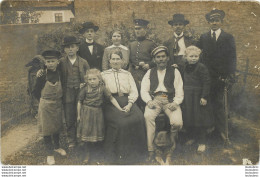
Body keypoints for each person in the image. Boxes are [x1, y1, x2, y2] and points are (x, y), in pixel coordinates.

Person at [197, 8, 237, 142]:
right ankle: (210, 129)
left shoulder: (228, 37)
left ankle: (223, 133)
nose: (214, 23)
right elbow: (199, 56)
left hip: (222, 78)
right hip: (207, 78)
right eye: (212, 21)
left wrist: (229, 75)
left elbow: (232, 57)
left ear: (221, 22)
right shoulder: (204, 37)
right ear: (208, 22)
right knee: (207, 104)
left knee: (221, 105)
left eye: (217, 20)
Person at [101, 49, 146, 164]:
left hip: (128, 101)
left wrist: (130, 104)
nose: (115, 61)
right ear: (109, 61)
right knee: (122, 123)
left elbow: (134, 91)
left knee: (139, 117)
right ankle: (121, 155)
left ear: (122, 61)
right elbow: (103, 93)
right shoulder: (103, 75)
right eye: (113, 59)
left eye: (118, 59)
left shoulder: (127, 74)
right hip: (111, 103)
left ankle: (138, 154)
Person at [141, 46, 184, 163]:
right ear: (154, 59)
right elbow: (144, 90)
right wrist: (149, 101)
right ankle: (151, 150)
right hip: (155, 100)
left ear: (168, 58)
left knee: (177, 122)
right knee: (148, 116)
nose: (161, 59)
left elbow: (179, 89)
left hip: (170, 100)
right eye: (158, 57)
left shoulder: (175, 71)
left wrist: (176, 102)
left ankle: (171, 146)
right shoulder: (150, 72)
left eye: (163, 56)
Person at [77, 68, 122, 164]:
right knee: (87, 133)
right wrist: (79, 115)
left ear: (99, 79)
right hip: (87, 113)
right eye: (90, 79)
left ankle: (97, 155)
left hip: (97, 113)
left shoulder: (102, 88)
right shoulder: (85, 88)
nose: (92, 81)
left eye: (94, 79)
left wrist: (120, 108)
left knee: (97, 134)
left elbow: (111, 98)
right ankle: (87, 154)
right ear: (87, 80)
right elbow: (79, 102)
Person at [32, 50, 66, 165]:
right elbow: (35, 91)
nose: (50, 63)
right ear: (45, 63)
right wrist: (43, 102)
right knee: (46, 129)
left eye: (53, 61)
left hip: (57, 104)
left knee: (56, 126)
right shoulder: (42, 75)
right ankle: (49, 153)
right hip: (45, 105)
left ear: (57, 62)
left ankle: (57, 147)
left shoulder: (60, 73)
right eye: (48, 61)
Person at [60, 36, 90, 149]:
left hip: (81, 93)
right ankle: (71, 140)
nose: (70, 49)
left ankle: (82, 138)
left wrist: (85, 84)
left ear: (77, 48)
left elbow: (90, 77)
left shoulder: (83, 62)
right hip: (67, 93)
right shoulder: (61, 62)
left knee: (81, 115)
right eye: (67, 47)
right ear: (64, 50)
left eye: (73, 47)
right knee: (69, 117)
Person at [182, 46, 214, 153]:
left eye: (196, 56)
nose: (194, 58)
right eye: (191, 56)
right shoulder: (185, 67)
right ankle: (192, 137)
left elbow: (207, 82)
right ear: (186, 57)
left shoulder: (201, 67)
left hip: (198, 96)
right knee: (189, 117)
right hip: (188, 96)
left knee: (200, 119)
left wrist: (204, 96)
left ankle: (202, 142)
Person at [128, 19, 157, 89]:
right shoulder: (131, 44)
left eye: (139, 28)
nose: (137, 31)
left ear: (145, 30)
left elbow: (157, 59)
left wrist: (149, 64)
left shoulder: (151, 43)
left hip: (146, 73)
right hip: (133, 74)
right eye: (135, 29)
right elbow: (128, 60)